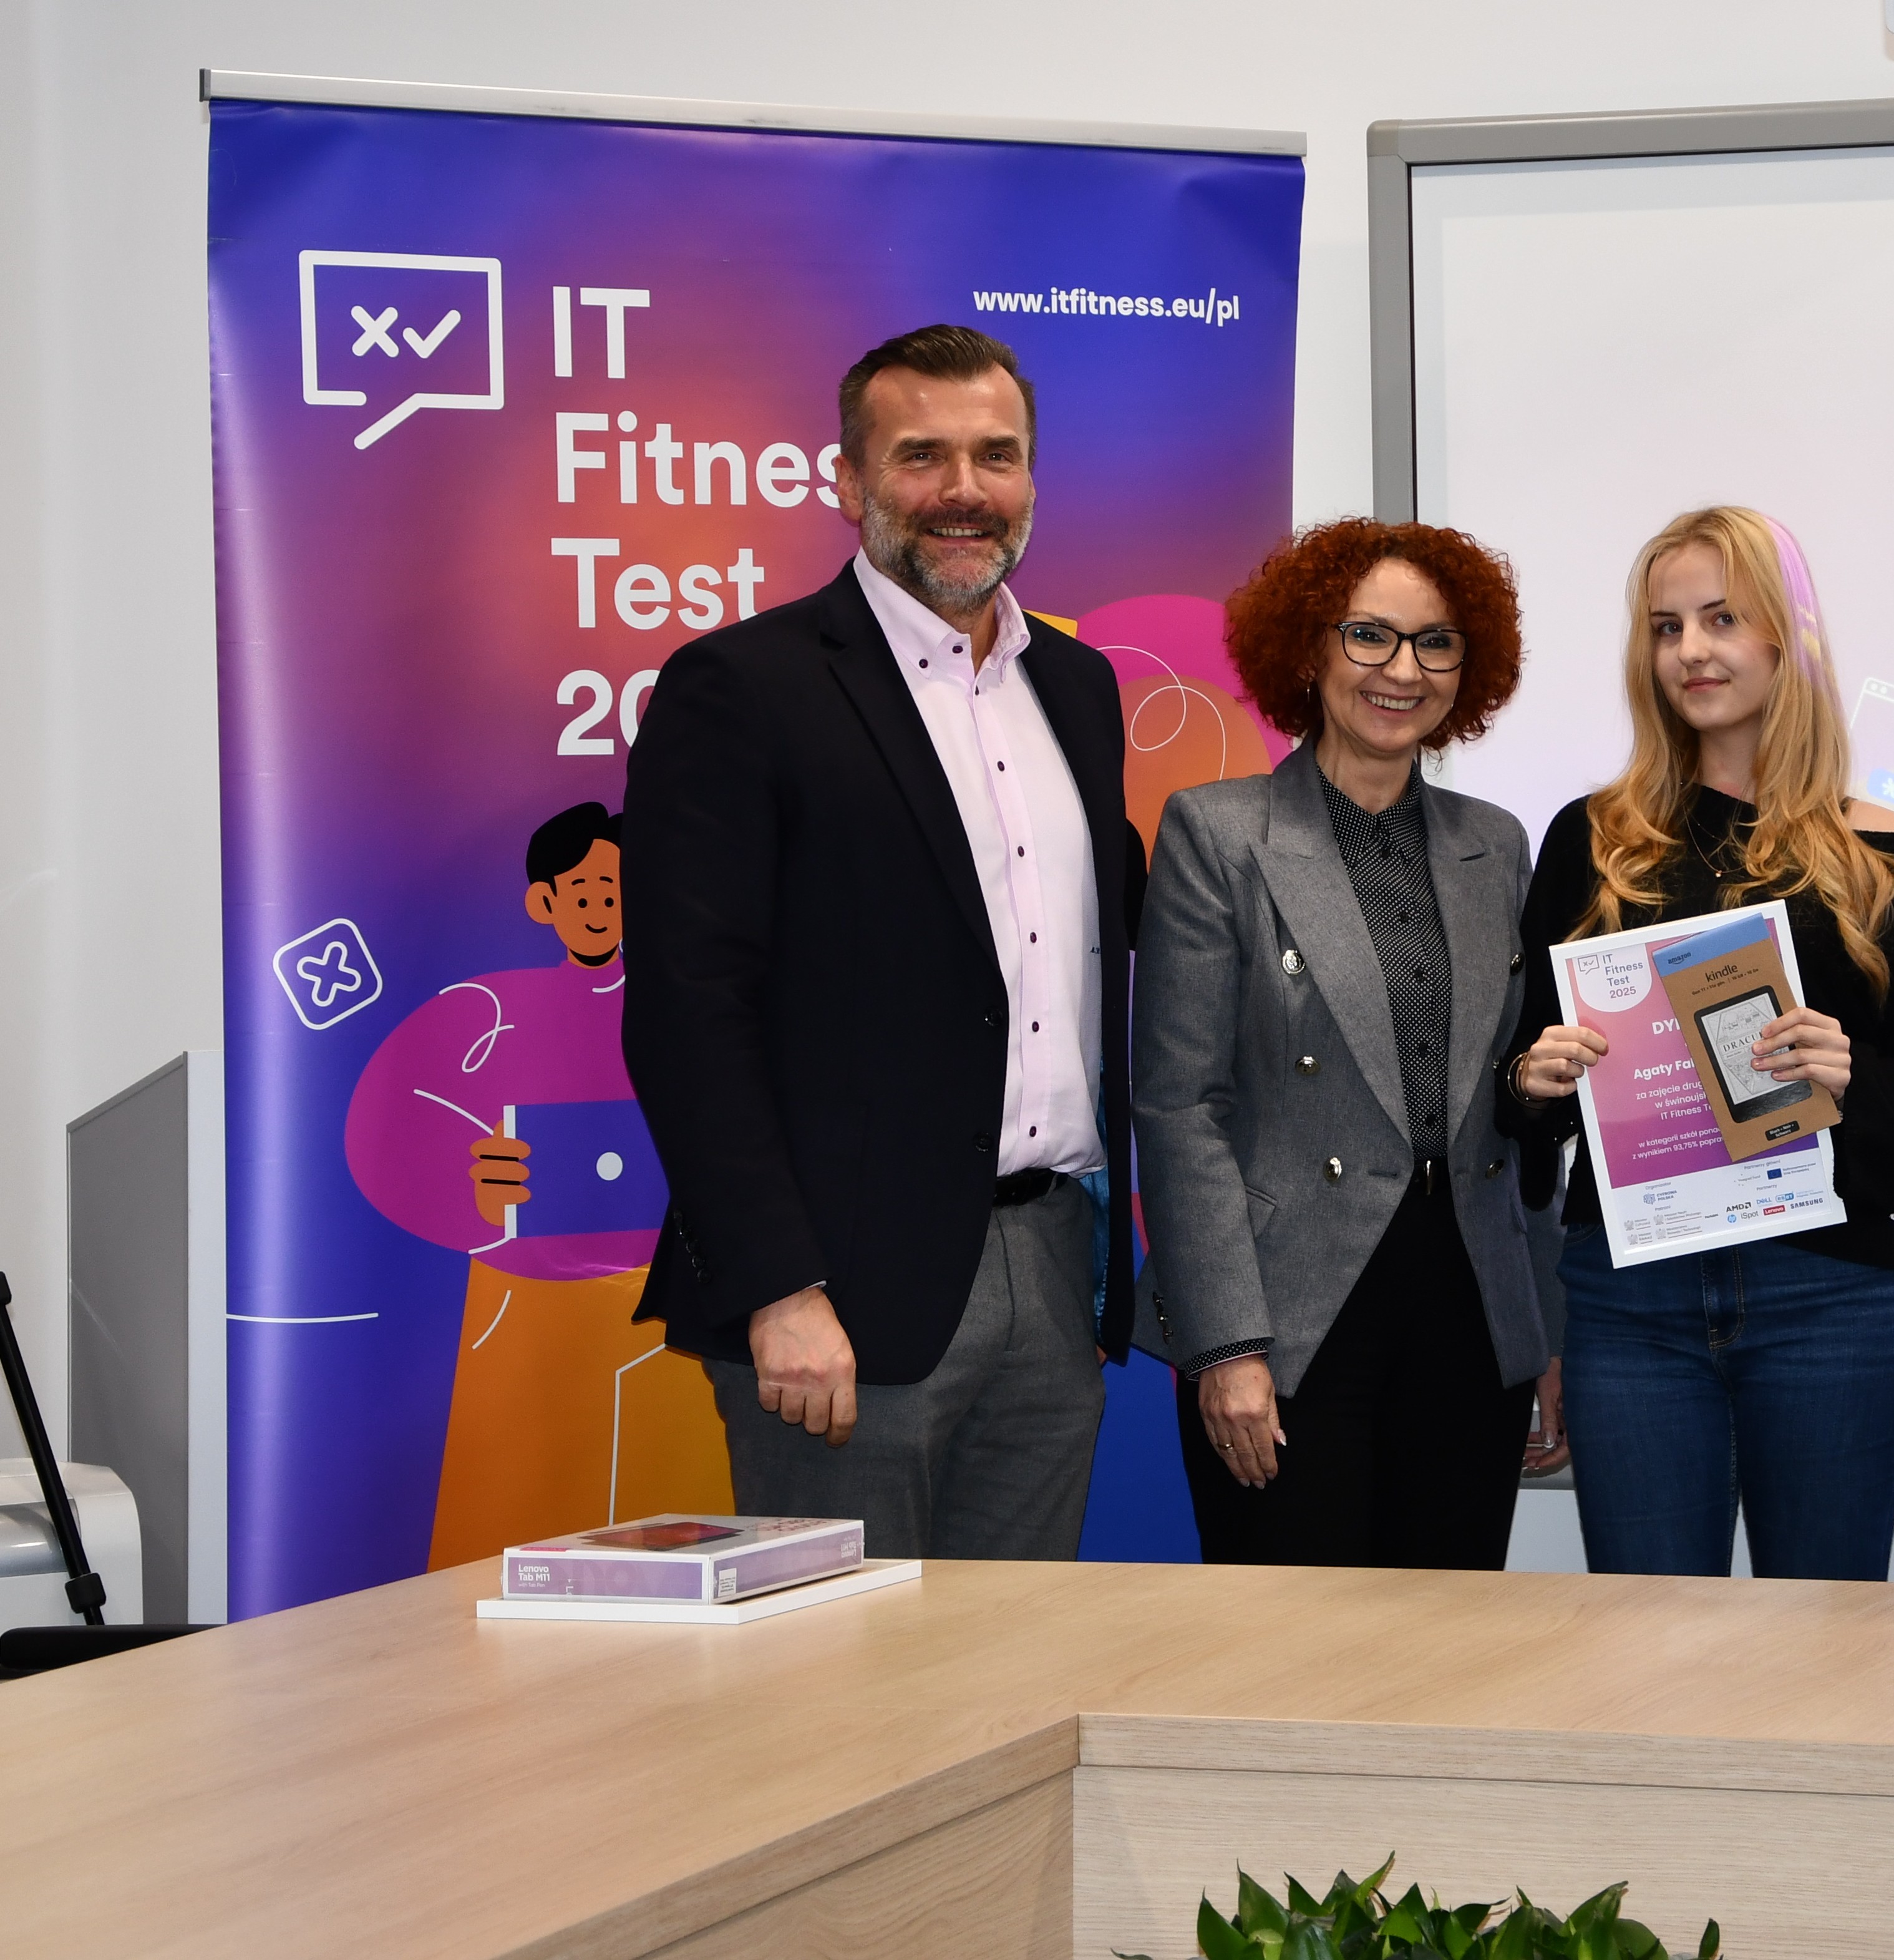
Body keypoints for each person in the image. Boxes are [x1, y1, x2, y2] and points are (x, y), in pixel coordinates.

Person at [623, 325, 1143, 1559]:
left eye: (995, 455)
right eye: (921, 456)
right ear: (848, 482)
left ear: (1030, 478)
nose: (964, 489)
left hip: (1052, 1275)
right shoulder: (741, 687)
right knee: (838, 1665)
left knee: (1018, 1659)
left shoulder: (1077, 689)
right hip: (836, 1301)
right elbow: (690, 1014)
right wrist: (777, 1287)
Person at [1499, 506, 1894, 1581]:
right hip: (1629, 1301)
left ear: (1786, 635)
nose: (1690, 650)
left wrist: (1850, 1075)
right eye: (1666, 626)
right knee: (1650, 1646)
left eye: (1722, 618)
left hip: (1829, 1293)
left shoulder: (1881, 852)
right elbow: (1518, 1081)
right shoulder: (1590, 841)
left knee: (1826, 1648)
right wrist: (1533, 1081)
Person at [1135, 519, 1562, 1568]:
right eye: (1369, 635)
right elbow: (1180, 1108)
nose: (1401, 670)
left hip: (1470, 1312)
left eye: (1435, 642)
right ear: (1308, 649)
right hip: (1286, 1318)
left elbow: (1511, 1100)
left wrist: (1544, 1329)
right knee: (1292, 1648)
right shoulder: (1216, 833)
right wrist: (1225, 1344)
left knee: (1448, 1641)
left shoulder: (1496, 842)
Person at [343, 800, 731, 1566]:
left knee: (695, 1538)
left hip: (677, 1309)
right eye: (581, 891)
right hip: (531, 1313)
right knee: (509, 1555)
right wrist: (469, 1183)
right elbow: (383, 1129)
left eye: (613, 890)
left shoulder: (698, 1006)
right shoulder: (488, 1007)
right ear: (543, 903)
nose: (598, 908)